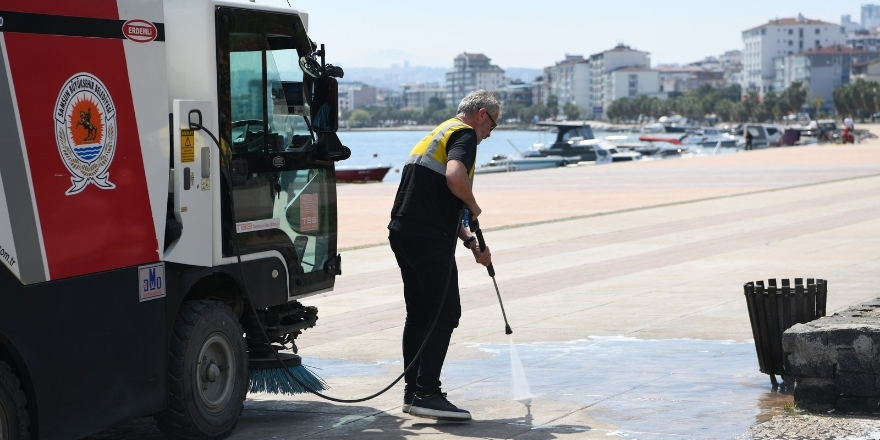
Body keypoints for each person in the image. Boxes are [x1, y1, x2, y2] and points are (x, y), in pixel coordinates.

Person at [388, 90, 499, 421]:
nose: (491, 132)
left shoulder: (437, 134)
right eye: (493, 124)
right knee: (446, 313)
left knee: (421, 314)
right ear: (481, 115)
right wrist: (474, 205)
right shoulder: (464, 134)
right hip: (427, 237)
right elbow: (454, 176)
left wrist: (468, 241)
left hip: (403, 232)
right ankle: (428, 393)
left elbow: (432, 194)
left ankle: (412, 394)